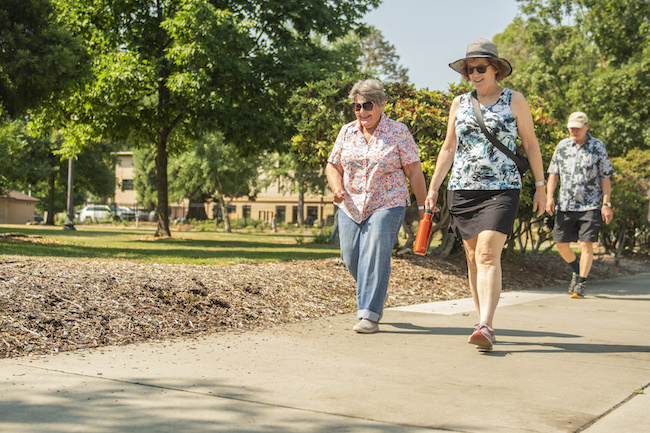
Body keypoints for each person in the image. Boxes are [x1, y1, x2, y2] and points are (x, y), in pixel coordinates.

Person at [424, 39, 547, 351]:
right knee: (471, 258)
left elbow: (531, 145)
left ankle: (486, 324)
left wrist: (542, 186)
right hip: (463, 189)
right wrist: (434, 188)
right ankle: (481, 319)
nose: (474, 74)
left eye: (480, 68)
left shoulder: (514, 100)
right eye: (469, 70)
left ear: (496, 69)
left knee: (487, 254)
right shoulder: (460, 104)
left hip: (502, 189)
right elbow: (449, 147)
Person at [326, 78, 427, 334]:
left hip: (387, 202)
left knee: (374, 254)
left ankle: (369, 315)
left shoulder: (398, 132)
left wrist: (424, 206)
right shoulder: (347, 131)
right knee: (350, 256)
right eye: (357, 107)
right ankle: (375, 287)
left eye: (367, 105)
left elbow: (414, 171)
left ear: (382, 104)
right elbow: (333, 165)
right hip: (350, 204)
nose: (362, 112)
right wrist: (337, 188)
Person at [546, 111, 615, 299]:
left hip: (590, 204)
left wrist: (606, 203)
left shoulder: (597, 147)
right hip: (566, 204)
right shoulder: (562, 146)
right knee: (561, 243)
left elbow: (605, 177)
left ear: (587, 127)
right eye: (571, 128)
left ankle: (581, 283)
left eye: (577, 128)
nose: (573, 131)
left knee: (586, 244)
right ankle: (577, 270)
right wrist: (549, 197)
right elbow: (554, 173)